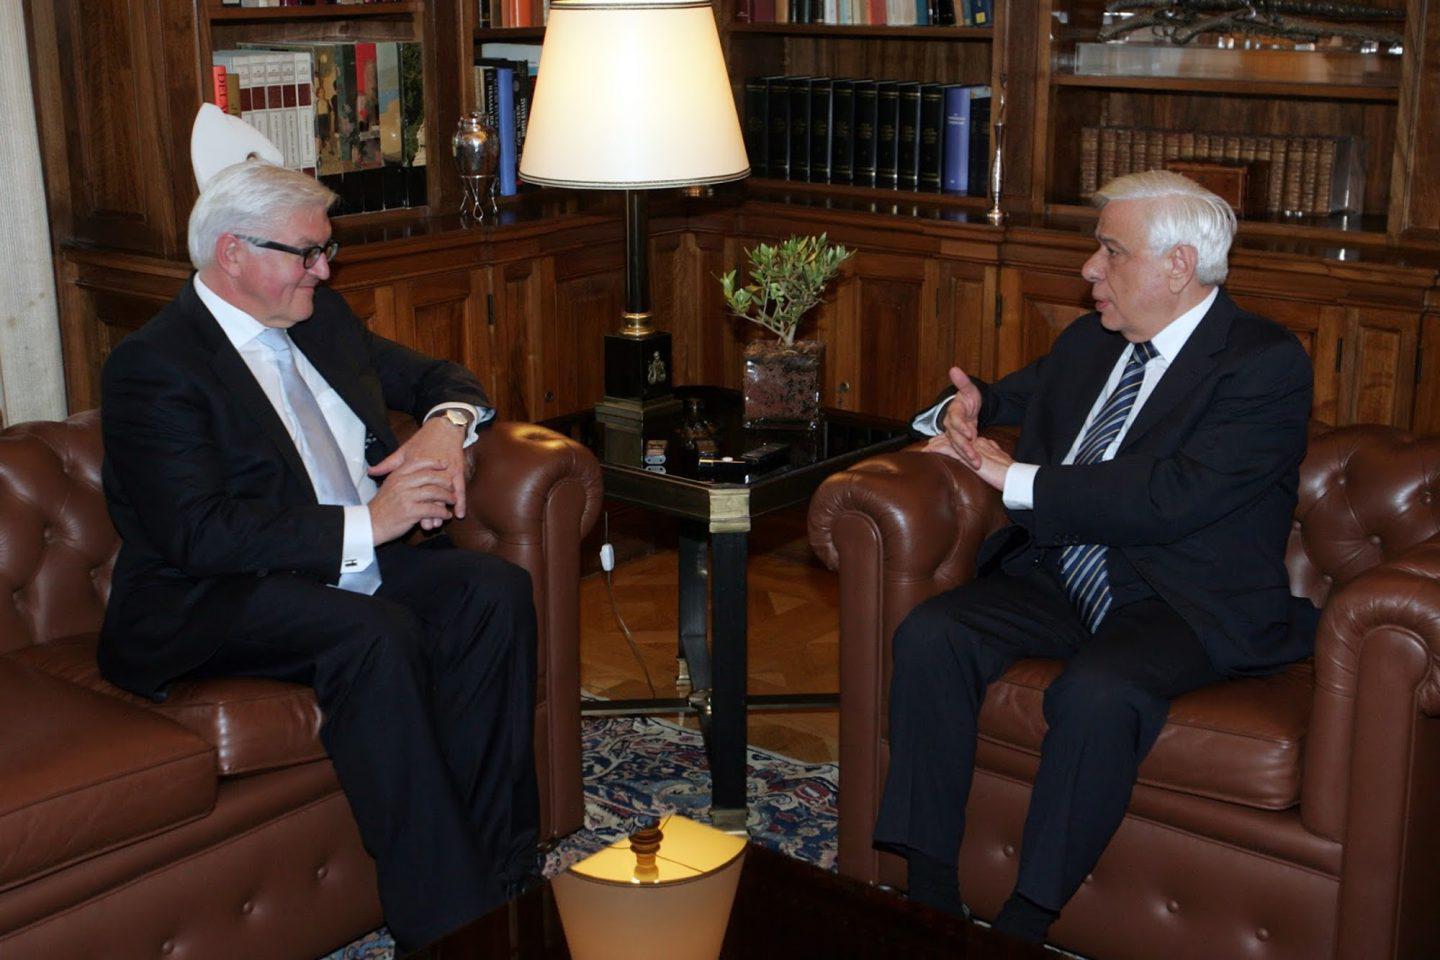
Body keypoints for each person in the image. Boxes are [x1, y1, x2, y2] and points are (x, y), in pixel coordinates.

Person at [97, 159, 538, 952]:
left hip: (346, 563)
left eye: (325, 250)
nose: (325, 270)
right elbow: (199, 533)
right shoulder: (154, 365)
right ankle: (447, 927)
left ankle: (502, 879)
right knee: (373, 636)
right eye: (306, 253)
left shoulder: (319, 318)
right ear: (233, 253)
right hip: (215, 593)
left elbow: (441, 377)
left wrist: (446, 426)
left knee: (493, 591)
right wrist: (372, 521)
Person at [877, 170, 1317, 943]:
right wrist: (960, 409)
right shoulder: (1092, 342)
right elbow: (1005, 397)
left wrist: (1013, 476)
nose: (1089, 270)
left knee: (1097, 694)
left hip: (1178, 596)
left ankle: (1026, 919)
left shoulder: (1263, 363)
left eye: (1111, 252)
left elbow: (1172, 497)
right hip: (1062, 571)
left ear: (1178, 265)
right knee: (932, 634)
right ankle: (931, 888)